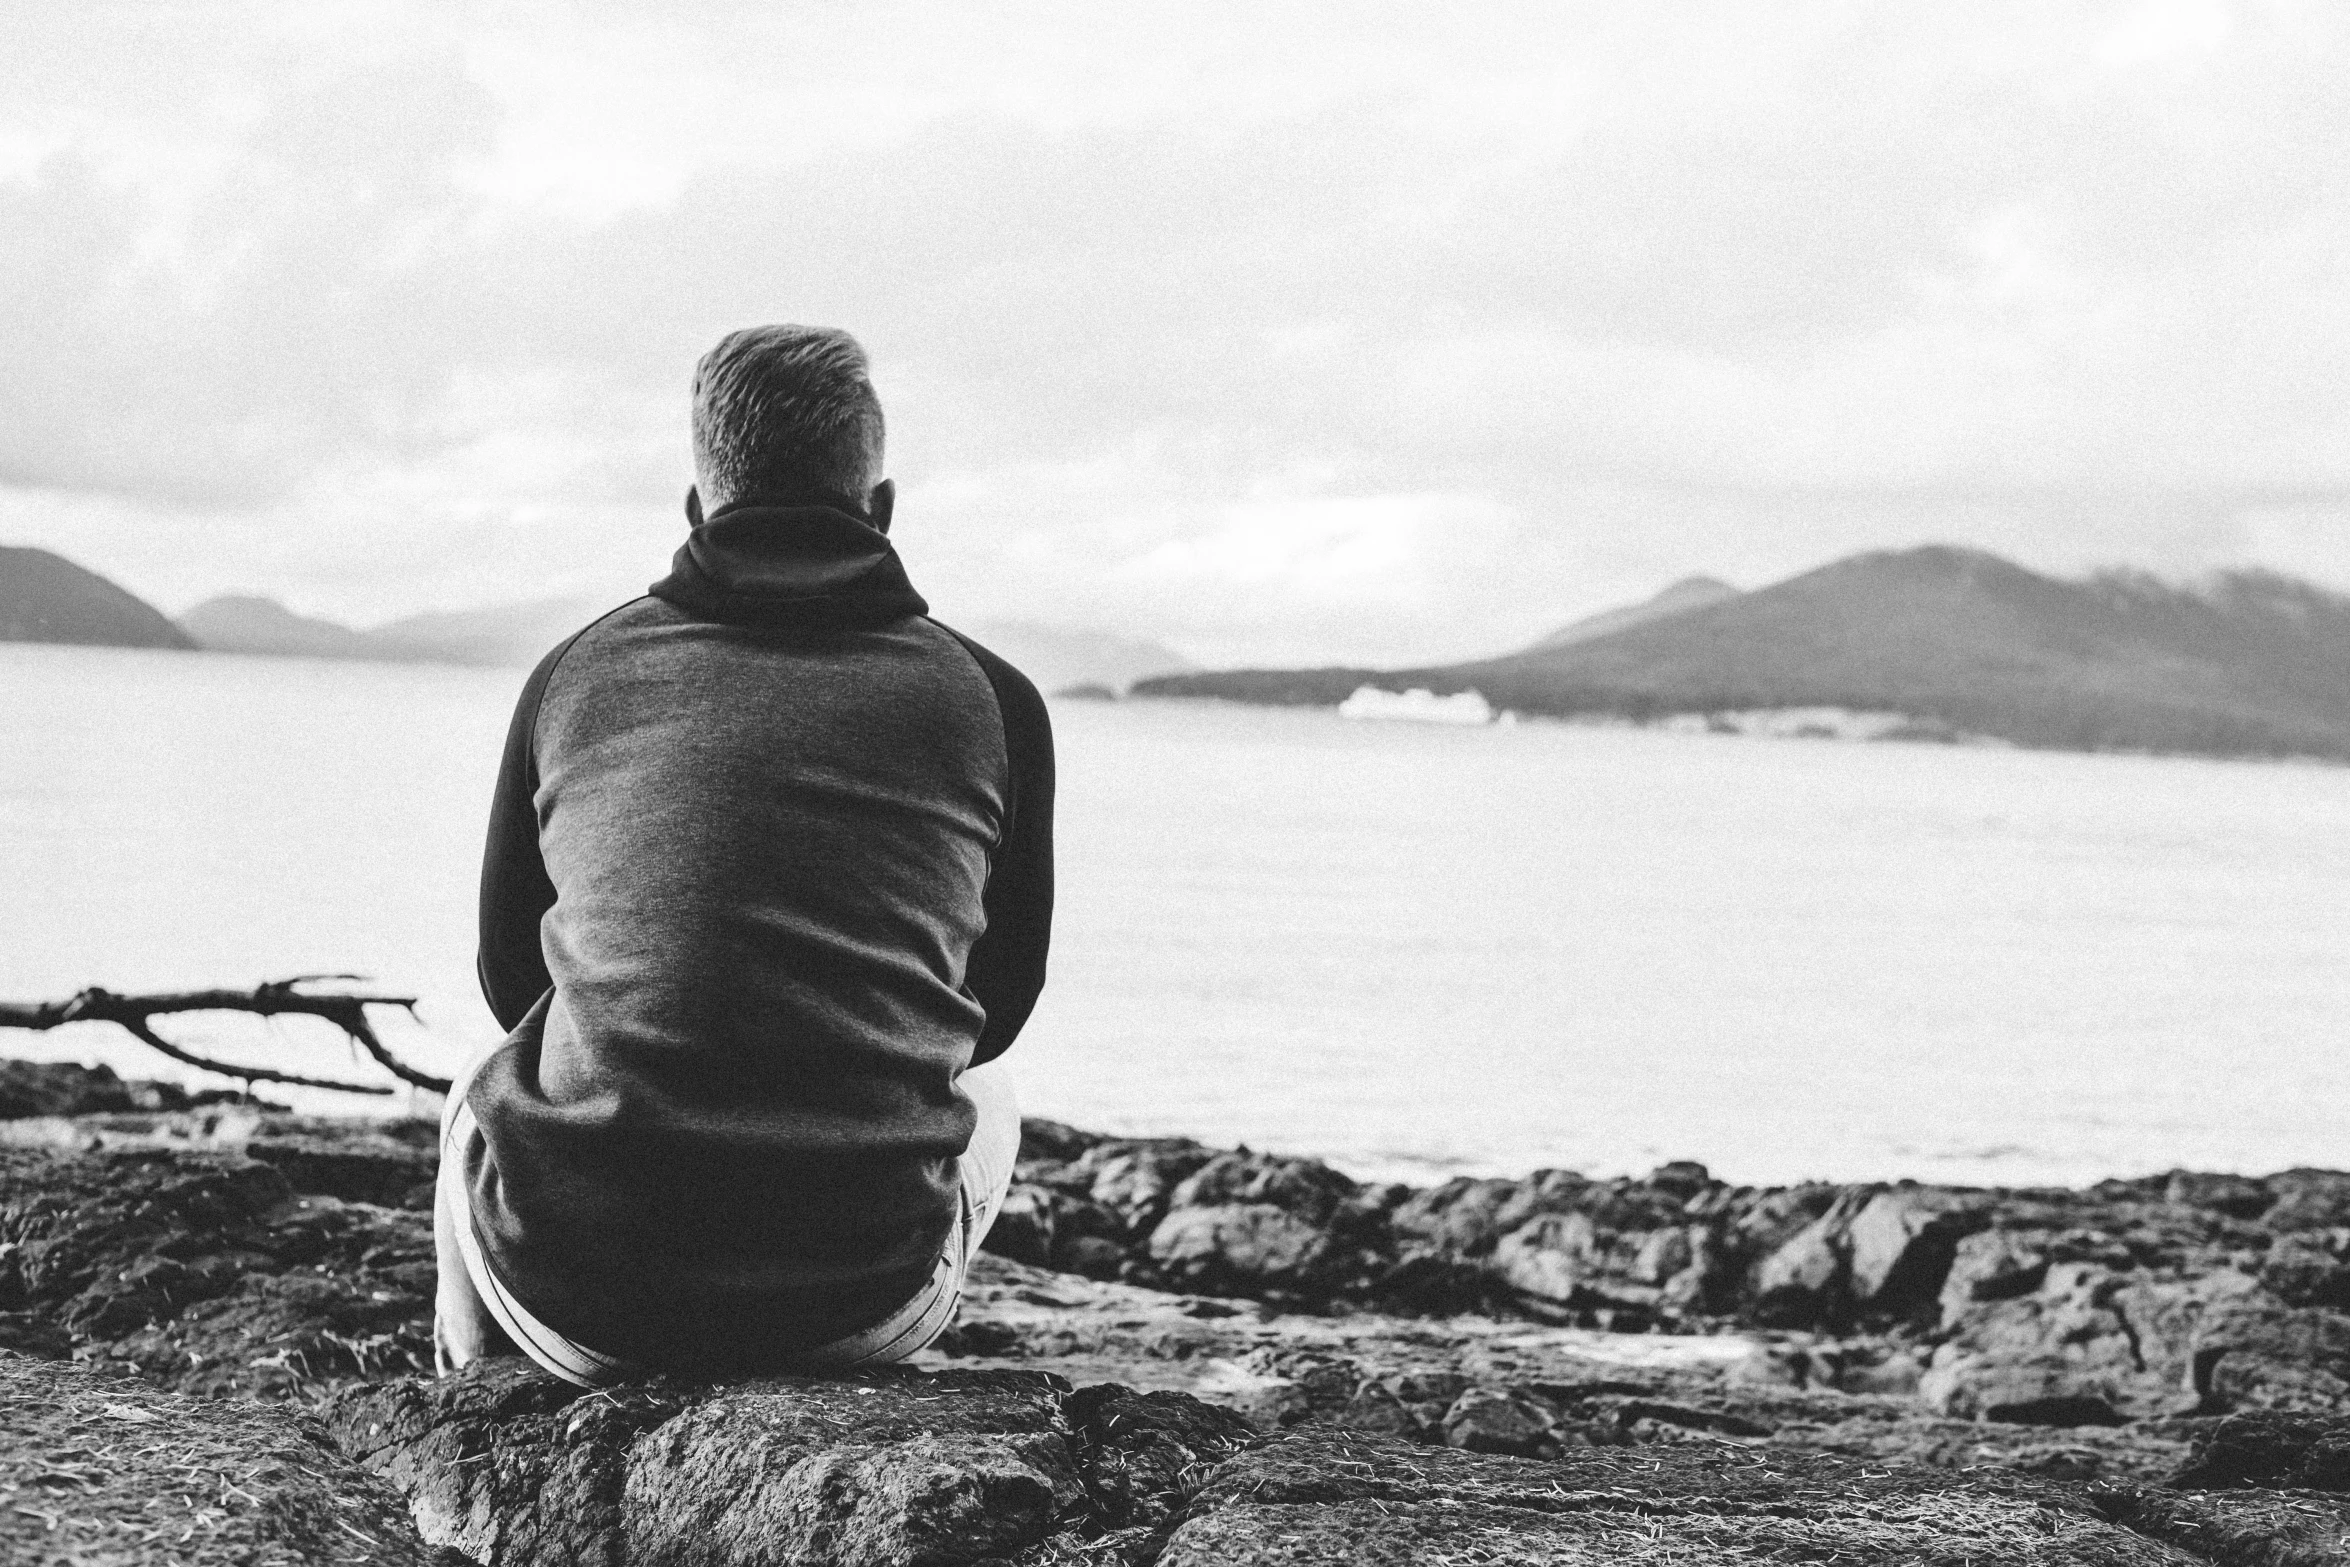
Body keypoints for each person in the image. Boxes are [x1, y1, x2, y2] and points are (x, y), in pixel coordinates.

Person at [433, 324, 1053, 1385]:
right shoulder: (994, 701)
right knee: (994, 1096)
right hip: (859, 1306)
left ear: (695, 507)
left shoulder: (573, 674)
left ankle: (468, 1380)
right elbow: (994, 1009)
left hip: (580, 1304)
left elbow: (506, 979)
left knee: (473, 1087)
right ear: (883, 508)